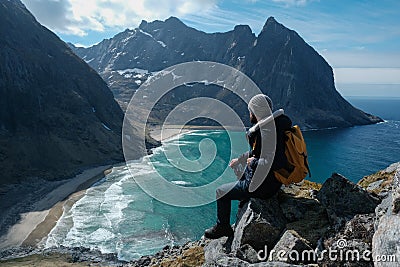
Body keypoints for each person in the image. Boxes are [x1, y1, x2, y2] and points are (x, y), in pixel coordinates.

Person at [204, 94, 292, 239]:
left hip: (262, 187)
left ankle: (223, 227)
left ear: (256, 112)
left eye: (250, 111)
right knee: (239, 169)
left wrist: (253, 162)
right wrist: (240, 160)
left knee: (221, 192)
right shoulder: (272, 126)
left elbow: (278, 161)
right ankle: (243, 198)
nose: (249, 114)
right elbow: (256, 152)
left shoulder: (268, 132)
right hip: (270, 182)